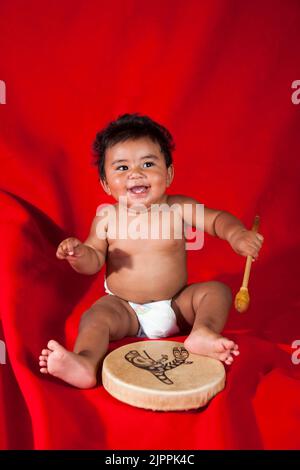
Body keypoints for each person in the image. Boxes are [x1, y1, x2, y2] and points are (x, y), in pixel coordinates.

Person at [39, 113, 264, 389]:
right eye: (122, 168)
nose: (136, 173)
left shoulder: (178, 207)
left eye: (148, 163)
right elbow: (94, 258)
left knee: (217, 292)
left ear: (168, 173)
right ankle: (85, 362)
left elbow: (216, 220)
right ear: (106, 184)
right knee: (95, 316)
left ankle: (202, 332)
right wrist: (78, 255)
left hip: (176, 305)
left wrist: (237, 234)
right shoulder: (107, 218)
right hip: (125, 308)